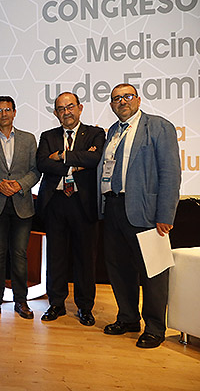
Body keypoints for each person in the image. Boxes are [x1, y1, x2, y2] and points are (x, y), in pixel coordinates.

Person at [99, 83, 180, 348]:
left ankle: (155, 327)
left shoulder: (158, 126)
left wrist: (165, 213)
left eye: (127, 96)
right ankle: (128, 318)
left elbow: (170, 173)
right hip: (113, 208)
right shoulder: (112, 131)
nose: (121, 101)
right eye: (116, 99)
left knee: (153, 272)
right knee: (119, 269)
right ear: (111, 105)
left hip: (145, 211)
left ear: (138, 99)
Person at [36, 92, 105, 326]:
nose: (66, 112)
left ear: (80, 108)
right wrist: (77, 163)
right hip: (55, 202)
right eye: (61, 108)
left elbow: (95, 160)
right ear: (56, 113)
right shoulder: (47, 136)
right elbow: (42, 163)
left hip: (83, 203)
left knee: (85, 258)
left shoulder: (96, 133)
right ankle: (56, 304)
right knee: (56, 257)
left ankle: (85, 307)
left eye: (70, 106)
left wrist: (62, 157)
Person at [0, 96, 40, 321]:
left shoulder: (29, 139)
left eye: (8, 110)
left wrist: (20, 185)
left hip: (22, 204)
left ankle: (20, 301)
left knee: (20, 255)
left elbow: (35, 170)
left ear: (14, 112)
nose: (4, 114)